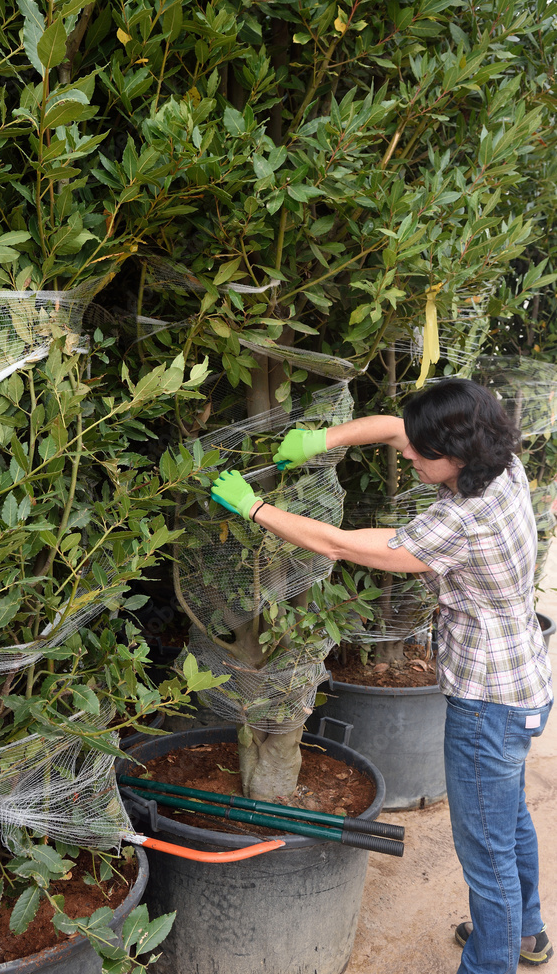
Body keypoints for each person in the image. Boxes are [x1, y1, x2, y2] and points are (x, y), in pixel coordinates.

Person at [210, 377, 553, 973]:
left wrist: (254, 507)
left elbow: (340, 544)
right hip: (524, 681)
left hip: (486, 704)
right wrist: (321, 439)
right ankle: (526, 933)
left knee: (485, 850)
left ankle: (490, 962)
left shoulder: (461, 523)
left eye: (421, 454)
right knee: (507, 817)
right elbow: (399, 429)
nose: (410, 455)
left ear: (454, 454)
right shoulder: (503, 466)